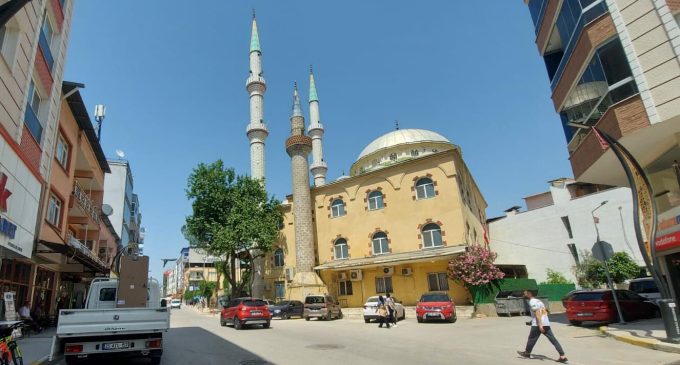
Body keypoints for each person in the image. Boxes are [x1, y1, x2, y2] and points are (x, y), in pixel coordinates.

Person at [517, 290, 567, 363]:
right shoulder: (539, 301)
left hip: (538, 324)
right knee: (553, 339)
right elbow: (542, 312)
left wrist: (540, 325)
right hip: (546, 323)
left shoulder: (532, 302)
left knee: (531, 339)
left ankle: (527, 353)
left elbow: (537, 313)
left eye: (524, 294)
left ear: (529, 294)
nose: (523, 295)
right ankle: (562, 356)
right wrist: (531, 322)